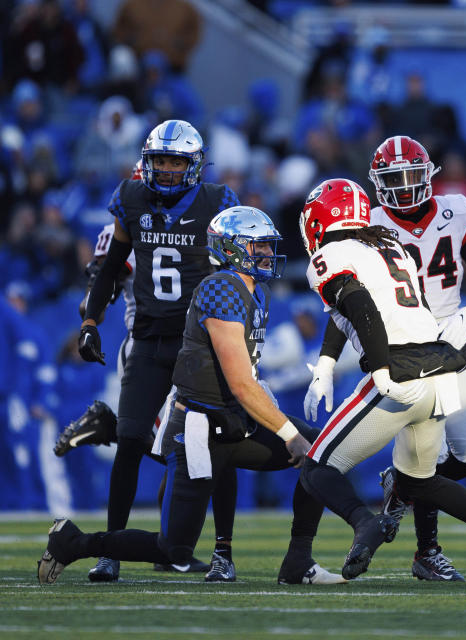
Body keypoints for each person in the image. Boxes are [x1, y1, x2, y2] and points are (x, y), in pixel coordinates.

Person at [39, 206, 344, 586]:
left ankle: (297, 560)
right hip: (198, 426)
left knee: (319, 449)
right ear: (231, 249)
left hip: (233, 421)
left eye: (268, 247)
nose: (267, 254)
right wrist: (287, 433)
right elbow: (239, 382)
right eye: (258, 247)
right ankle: (75, 543)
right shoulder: (220, 288)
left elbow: (246, 378)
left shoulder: (256, 292)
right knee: (174, 548)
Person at [297, 178, 466, 583]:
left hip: (399, 369)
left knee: (316, 468)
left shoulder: (330, 255)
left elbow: (360, 308)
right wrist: (326, 364)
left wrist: (378, 368)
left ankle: (365, 524)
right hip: (440, 368)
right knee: (422, 482)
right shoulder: (388, 245)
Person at [75, 120, 241, 582]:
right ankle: (110, 550)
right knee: (130, 441)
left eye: (176, 161)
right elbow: (109, 267)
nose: (166, 170)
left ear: (194, 165)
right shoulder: (130, 199)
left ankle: (223, 551)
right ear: (146, 163)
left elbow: (239, 267)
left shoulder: (217, 202)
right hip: (149, 339)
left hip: (200, 344)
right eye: (160, 161)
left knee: (218, 445)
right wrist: (90, 322)